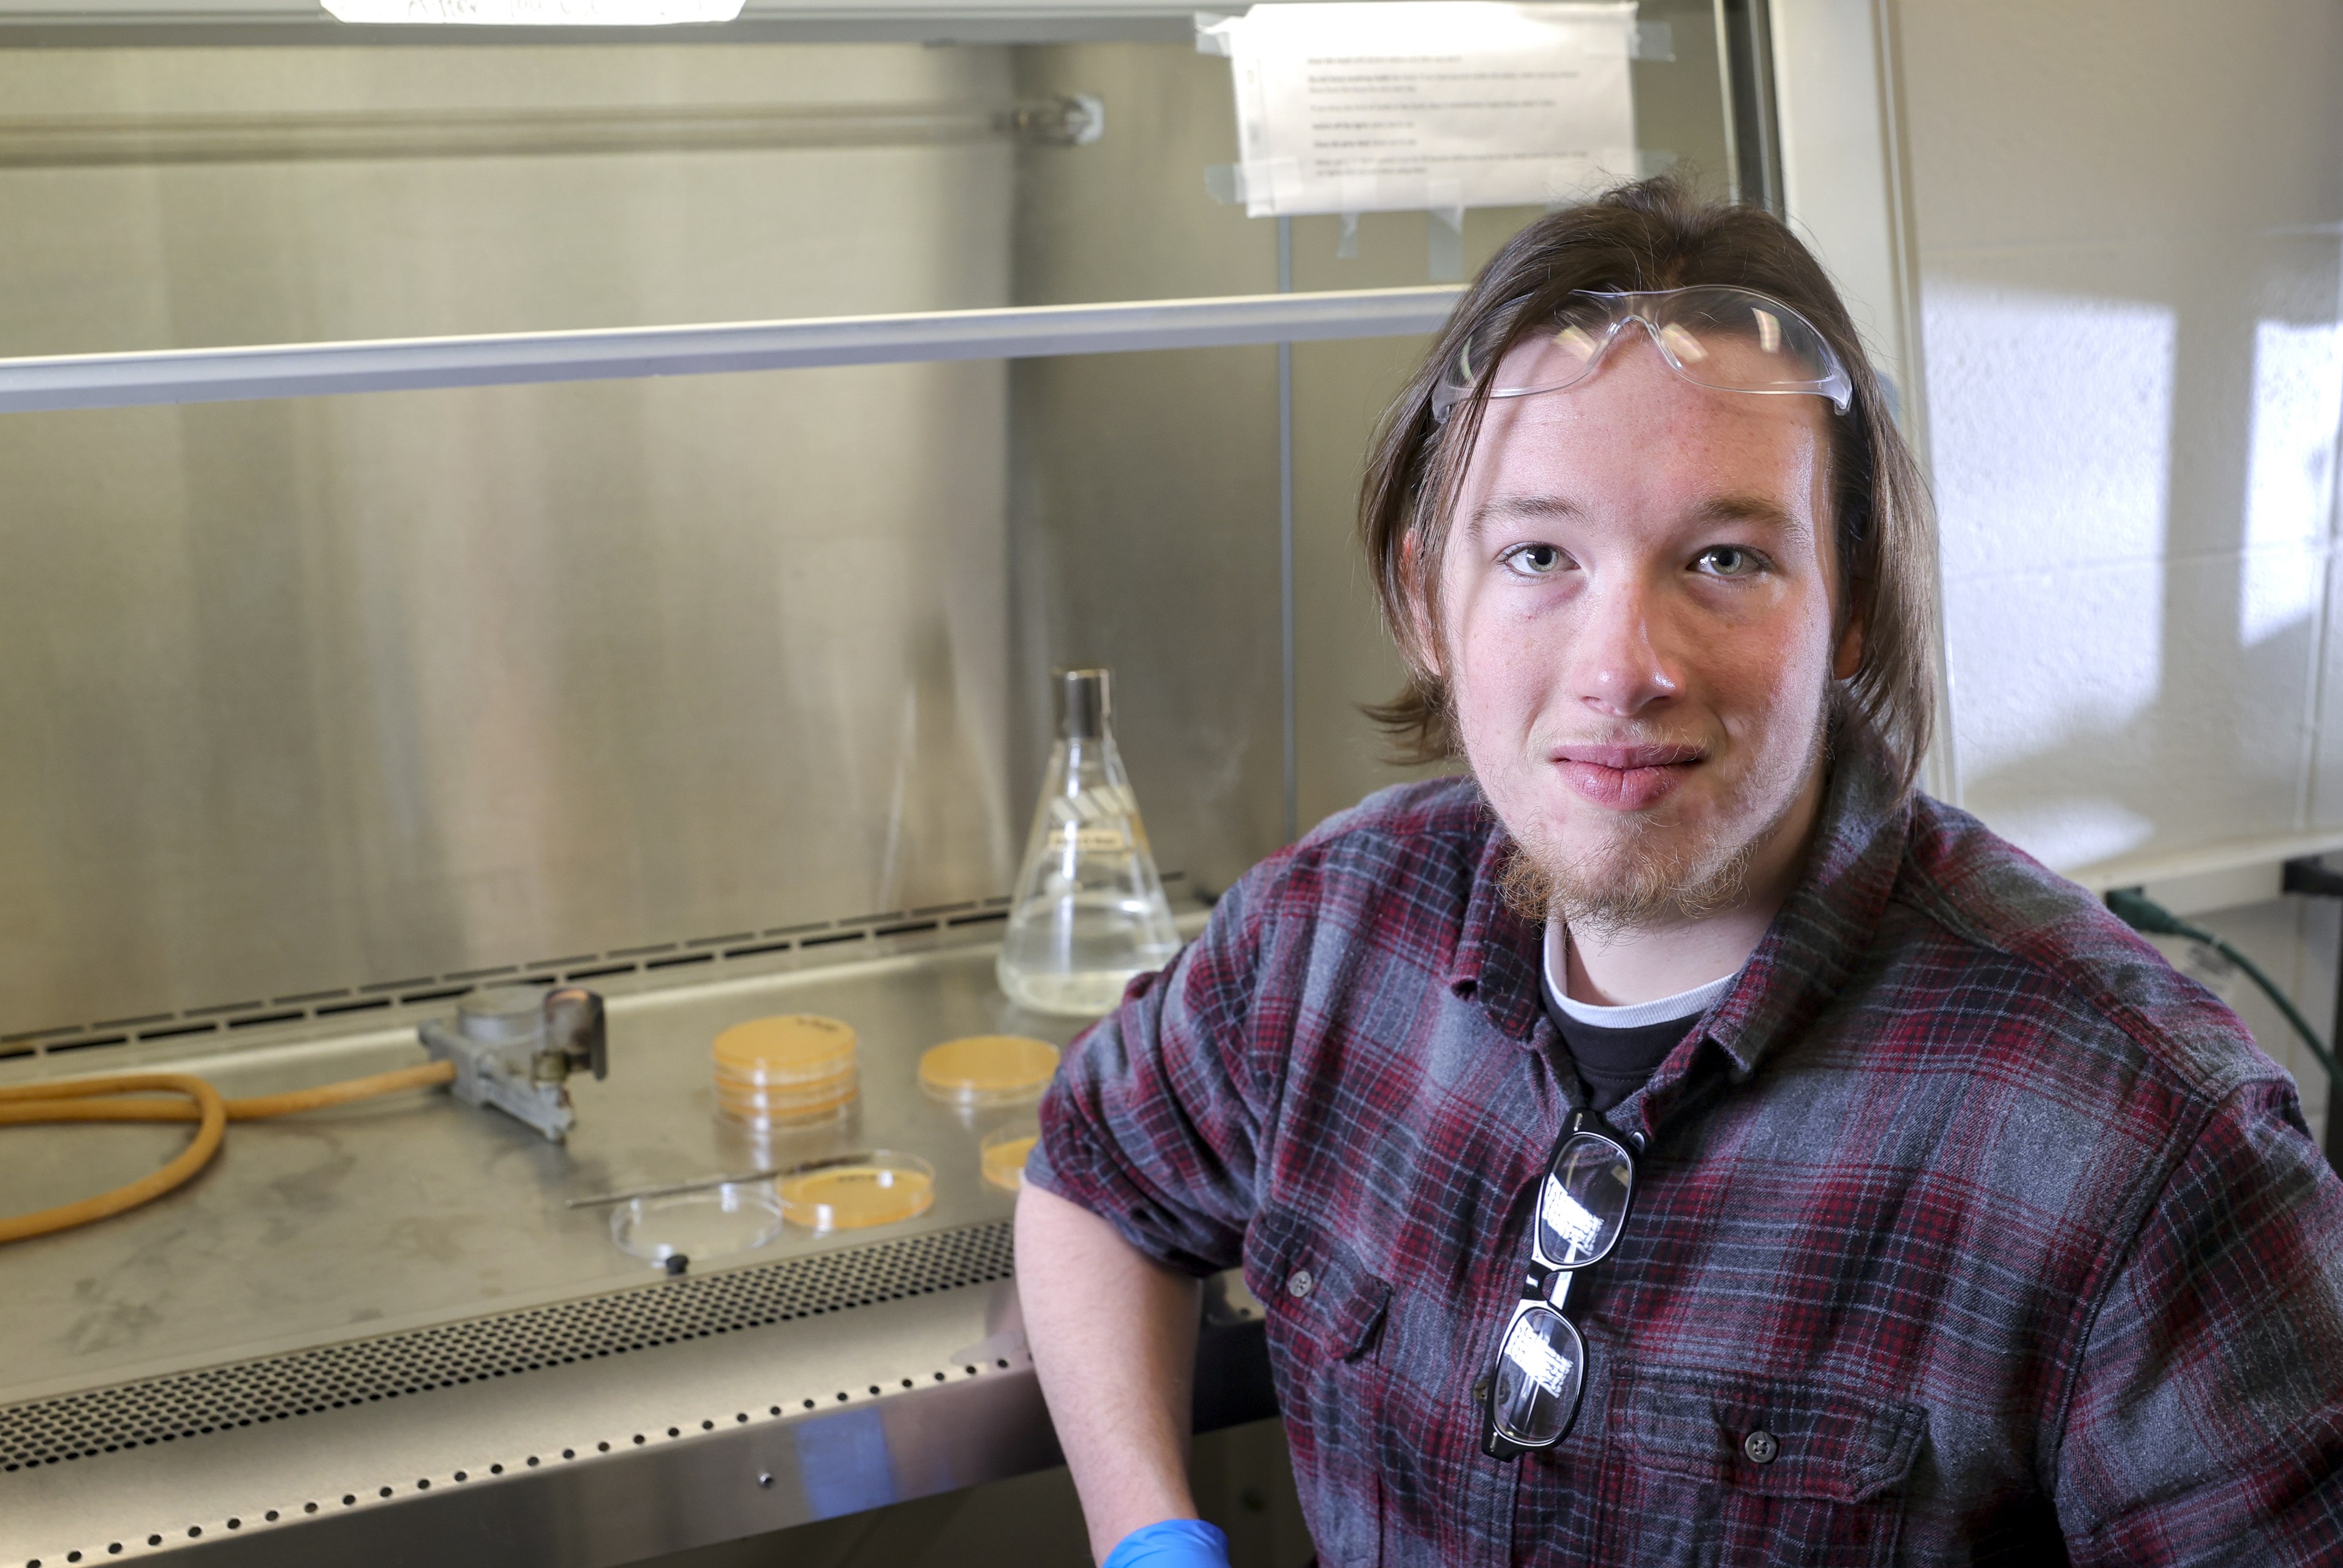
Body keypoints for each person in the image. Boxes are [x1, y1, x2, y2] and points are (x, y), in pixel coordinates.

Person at [1014, 176, 2343, 1566]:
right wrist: (1145, 1535)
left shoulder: (2140, 1140)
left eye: (1724, 558)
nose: (1621, 667)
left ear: (1848, 609)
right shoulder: (1324, 935)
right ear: (1423, 599)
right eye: (1537, 553)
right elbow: (1091, 1175)